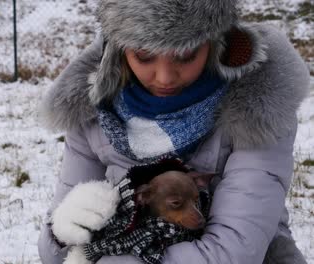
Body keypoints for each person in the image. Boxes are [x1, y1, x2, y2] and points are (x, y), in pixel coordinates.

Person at [37, 0, 310, 263]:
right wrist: (63, 232)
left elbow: (233, 253)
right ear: (118, 48)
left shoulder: (256, 108)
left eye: (186, 54)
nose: (165, 77)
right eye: (144, 56)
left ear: (217, 43)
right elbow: (55, 256)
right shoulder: (93, 110)